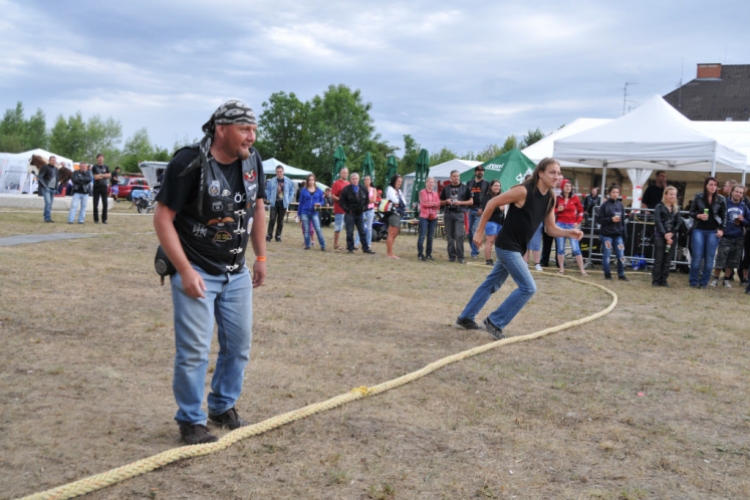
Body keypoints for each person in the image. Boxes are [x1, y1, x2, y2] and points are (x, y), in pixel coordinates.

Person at [153, 100, 267, 445]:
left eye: (254, 130)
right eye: (245, 129)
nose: (252, 137)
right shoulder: (189, 162)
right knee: (194, 350)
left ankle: (222, 406)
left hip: (236, 271)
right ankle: (190, 420)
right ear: (221, 129)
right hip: (196, 268)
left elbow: (257, 207)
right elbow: (162, 218)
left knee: (239, 345)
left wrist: (260, 256)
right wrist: (185, 271)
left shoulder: (253, 162)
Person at [455, 158, 582, 339]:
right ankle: (495, 322)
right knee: (528, 287)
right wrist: (479, 231)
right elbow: (492, 203)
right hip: (507, 247)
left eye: (558, 173)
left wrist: (570, 233)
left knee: (491, 284)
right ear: (541, 173)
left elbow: (551, 228)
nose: (557, 176)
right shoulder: (522, 191)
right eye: (552, 172)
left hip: (517, 248)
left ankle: (465, 318)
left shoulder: (550, 197)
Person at [688, 177, 726, 288]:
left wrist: (722, 229)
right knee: (697, 257)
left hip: (713, 231)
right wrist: (698, 215)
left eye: (715, 185)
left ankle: (704, 282)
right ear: (706, 185)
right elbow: (691, 212)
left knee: (709, 258)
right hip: (699, 229)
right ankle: (693, 281)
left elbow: (724, 216)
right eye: (711, 184)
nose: (713, 187)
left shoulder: (721, 199)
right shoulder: (699, 196)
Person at [709, 184, 749, 287]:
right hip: (725, 235)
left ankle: (726, 279)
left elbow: (749, 221)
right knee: (721, 258)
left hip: (738, 237)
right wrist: (719, 229)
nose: (738, 194)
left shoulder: (744, 206)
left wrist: (743, 220)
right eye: (736, 192)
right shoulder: (725, 203)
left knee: (733, 260)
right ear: (732, 191)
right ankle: (716, 279)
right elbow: (716, 216)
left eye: (740, 192)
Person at [651, 186, 685, 287]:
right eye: (671, 194)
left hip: (672, 236)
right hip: (660, 236)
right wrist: (665, 234)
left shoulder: (676, 209)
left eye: (674, 194)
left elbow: (679, 222)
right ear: (665, 195)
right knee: (659, 259)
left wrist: (672, 233)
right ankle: (656, 280)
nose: (673, 196)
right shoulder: (659, 207)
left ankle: (664, 279)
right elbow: (658, 221)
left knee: (667, 260)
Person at [555, 179, 587, 276]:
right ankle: (561, 269)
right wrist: (557, 209)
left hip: (571, 225)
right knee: (560, 248)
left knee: (575, 248)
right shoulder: (558, 198)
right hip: (560, 225)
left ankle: (582, 270)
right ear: (562, 188)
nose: (568, 188)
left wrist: (578, 222)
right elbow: (551, 210)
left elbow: (581, 211)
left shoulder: (575, 198)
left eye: (570, 186)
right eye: (566, 186)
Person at [439, 170, 472, 263]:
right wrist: (446, 201)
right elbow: (440, 202)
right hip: (448, 213)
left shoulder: (465, 188)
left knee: (459, 235)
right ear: (450, 177)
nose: (456, 177)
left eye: (457, 176)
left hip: (459, 213)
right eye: (454, 176)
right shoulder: (446, 189)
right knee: (450, 236)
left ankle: (461, 256)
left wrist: (460, 202)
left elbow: (471, 201)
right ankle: (452, 256)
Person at [597, 185, 629, 281]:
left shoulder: (620, 205)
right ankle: (607, 274)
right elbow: (599, 220)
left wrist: (625, 234)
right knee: (607, 254)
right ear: (609, 193)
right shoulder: (604, 205)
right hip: (606, 235)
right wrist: (611, 219)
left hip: (618, 234)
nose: (615, 194)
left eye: (617, 192)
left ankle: (621, 274)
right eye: (613, 192)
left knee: (621, 255)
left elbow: (623, 221)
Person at [340, 173, 376, 254]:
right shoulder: (346, 189)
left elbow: (367, 200)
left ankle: (365, 248)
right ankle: (350, 248)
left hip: (360, 213)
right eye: (353, 179)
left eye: (356, 179)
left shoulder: (363, 188)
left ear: (358, 179)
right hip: (350, 213)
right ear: (350, 180)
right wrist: (347, 210)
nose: (355, 180)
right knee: (350, 231)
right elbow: (341, 201)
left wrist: (364, 208)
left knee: (362, 231)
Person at [264, 165, 294, 243]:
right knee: (272, 219)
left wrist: (289, 200)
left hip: (283, 203)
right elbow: (267, 190)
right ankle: (269, 235)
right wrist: (270, 198)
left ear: (283, 171)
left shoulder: (288, 181)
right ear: (276, 172)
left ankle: (278, 236)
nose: (279, 173)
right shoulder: (272, 181)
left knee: (280, 221)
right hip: (274, 203)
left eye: (280, 171)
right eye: (277, 172)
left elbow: (292, 191)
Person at [297, 173, 326, 250]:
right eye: (309, 180)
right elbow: (301, 203)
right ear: (307, 181)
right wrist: (298, 214)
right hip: (305, 212)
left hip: (314, 213)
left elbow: (322, 201)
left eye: (312, 180)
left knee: (318, 229)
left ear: (314, 180)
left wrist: (320, 204)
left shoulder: (319, 190)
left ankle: (323, 245)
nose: (311, 181)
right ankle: (307, 245)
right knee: (306, 230)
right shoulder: (304, 191)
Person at [466, 165, 490, 259]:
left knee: (475, 230)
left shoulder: (486, 184)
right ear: (475, 172)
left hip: (479, 210)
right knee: (468, 231)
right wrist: (466, 208)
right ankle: (474, 249)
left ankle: (474, 253)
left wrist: (483, 208)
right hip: (469, 209)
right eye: (478, 171)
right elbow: (466, 196)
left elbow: (487, 197)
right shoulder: (469, 183)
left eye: (482, 171)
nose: (480, 172)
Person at [480, 180, 505, 266]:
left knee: (499, 242)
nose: (497, 187)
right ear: (491, 187)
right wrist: (499, 208)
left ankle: (500, 260)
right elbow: (485, 210)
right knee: (490, 241)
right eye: (495, 186)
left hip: (500, 222)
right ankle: (488, 260)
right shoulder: (487, 197)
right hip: (491, 222)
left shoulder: (501, 197)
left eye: (499, 186)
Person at [417, 176, 440, 261]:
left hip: (433, 216)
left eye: (432, 182)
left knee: (430, 236)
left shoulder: (436, 194)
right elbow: (423, 204)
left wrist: (431, 204)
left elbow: (438, 205)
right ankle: (420, 253)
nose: (431, 184)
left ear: (434, 184)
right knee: (422, 235)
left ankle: (428, 253)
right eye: (429, 182)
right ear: (426, 183)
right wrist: (433, 203)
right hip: (424, 216)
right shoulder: (422, 192)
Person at [385, 174, 406, 259]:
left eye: (401, 182)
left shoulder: (399, 191)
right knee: (392, 232)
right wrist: (399, 201)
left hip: (398, 213)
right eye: (398, 181)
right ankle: (389, 253)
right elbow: (395, 200)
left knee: (395, 233)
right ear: (394, 181)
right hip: (392, 213)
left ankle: (390, 252)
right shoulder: (390, 189)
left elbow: (404, 203)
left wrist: (399, 202)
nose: (399, 183)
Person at [37, 155, 58, 223]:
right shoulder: (45, 167)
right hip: (46, 187)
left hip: (53, 188)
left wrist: (56, 187)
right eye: (52, 160)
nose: (53, 162)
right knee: (48, 203)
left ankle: (47, 215)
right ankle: (47, 218)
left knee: (50, 203)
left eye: (54, 160)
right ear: (49, 161)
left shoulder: (56, 169)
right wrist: (44, 185)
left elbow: (57, 178)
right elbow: (40, 177)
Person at [91, 154, 111, 224]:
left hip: (104, 186)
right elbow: (96, 177)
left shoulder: (106, 166)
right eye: (99, 158)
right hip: (96, 187)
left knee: (105, 203)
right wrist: (104, 175)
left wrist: (101, 175)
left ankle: (104, 219)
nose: (100, 159)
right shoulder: (94, 167)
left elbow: (109, 175)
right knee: (95, 204)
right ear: (97, 159)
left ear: (103, 159)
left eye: (102, 158)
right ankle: (96, 219)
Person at [363, 175, 377, 248]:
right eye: (365, 180)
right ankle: (357, 243)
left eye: (368, 180)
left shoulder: (373, 189)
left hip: (370, 210)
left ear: (370, 181)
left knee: (369, 228)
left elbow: (374, 200)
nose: (367, 181)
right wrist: (369, 200)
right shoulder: (361, 189)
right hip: (363, 210)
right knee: (361, 226)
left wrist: (365, 200)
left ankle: (368, 243)